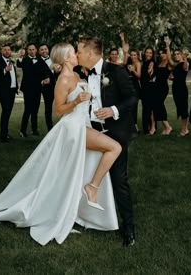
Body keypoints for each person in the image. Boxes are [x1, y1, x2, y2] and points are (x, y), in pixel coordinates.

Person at [0, 43, 121, 246]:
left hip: (82, 124)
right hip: (72, 129)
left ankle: (82, 200)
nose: (77, 54)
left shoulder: (76, 75)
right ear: (66, 58)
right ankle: (91, 188)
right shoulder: (64, 79)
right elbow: (59, 109)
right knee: (114, 147)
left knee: (69, 173)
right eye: (73, 53)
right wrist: (76, 102)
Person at [77, 36, 137, 246]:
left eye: (80, 52)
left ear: (91, 54)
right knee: (89, 175)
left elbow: (132, 97)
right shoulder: (81, 74)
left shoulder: (116, 71)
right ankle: (90, 218)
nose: (77, 55)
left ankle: (128, 228)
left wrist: (112, 110)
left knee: (119, 180)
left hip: (116, 133)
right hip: (93, 132)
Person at [17, 44, 42, 137]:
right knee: (28, 109)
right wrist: (20, 56)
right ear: (27, 51)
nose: (32, 51)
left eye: (33, 49)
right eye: (30, 49)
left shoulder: (39, 60)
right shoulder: (25, 59)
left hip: (37, 88)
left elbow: (43, 71)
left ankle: (34, 130)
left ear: (36, 50)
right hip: (28, 89)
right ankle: (22, 131)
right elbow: (19, 64)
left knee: (35, 110)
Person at [166, 40, 190, 136]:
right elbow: (169, 59)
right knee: (180, 109)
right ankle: (185, 129)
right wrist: (168, 46)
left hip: (182, 89)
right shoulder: (176, 66)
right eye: (175, 54)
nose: (176, 55)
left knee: (183, 109)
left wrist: (185, 57)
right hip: (175, 89)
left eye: (178, 54)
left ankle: (184, 130)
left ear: (181, 55)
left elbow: (185, 66)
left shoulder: (185, 64)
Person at [0, 44, 18, 142]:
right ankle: (3, 136)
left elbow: (13, 76)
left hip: (12, 91)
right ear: (2, 52)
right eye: (5, 50)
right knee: (6, 111)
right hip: (4, 91)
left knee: (8, 112)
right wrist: (5, 70)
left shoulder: (11, 62)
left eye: (9, 50)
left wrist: (16, 86)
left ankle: (5, 132)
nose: (7, 51)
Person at [153, 47, 173, 135]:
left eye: (163, 53)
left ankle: (168, 127)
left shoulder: (168, 63)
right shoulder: (160, 63)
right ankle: (166, 127)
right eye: (160, 53)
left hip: (163, 87)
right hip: (156, 86)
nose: (161, 55)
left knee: (160, 105)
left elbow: (169, 57)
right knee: (157, 105)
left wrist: (167, 46)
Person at [38, 44, 55, 131]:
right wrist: (42, 82)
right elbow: (35, 77)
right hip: (47, 89)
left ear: (48, 50)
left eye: (45, 49)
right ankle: (50, 128)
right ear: (39, 51)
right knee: (48, 108)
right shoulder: (38, 62)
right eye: (42, 49)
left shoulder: (54, 59)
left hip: (58, 87)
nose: (44, 51)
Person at [140, 46, 157, 135]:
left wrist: (151, 68)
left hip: (150, 88)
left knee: (151, 108)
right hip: (144, 88)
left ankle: (153, 127)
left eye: (150, 53)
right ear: (145, 53)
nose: (148, 54)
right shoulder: (144, 62)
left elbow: (150, 74)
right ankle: (147, 128)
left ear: (153, 54)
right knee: (146, 108)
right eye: (147, 52)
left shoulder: (152, 62)